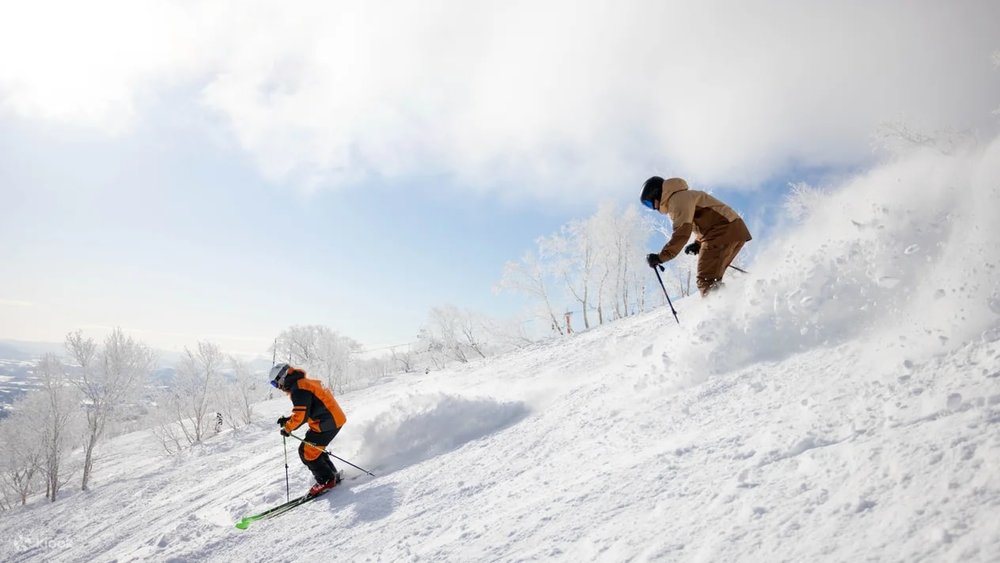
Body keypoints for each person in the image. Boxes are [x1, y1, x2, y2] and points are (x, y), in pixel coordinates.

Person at [640, 176, 752, 296]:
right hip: (733, 230)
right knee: (713, 278)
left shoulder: (677, 200)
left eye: (649, 203)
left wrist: (661, 257)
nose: (653, 208)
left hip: (723, 231)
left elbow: (681, 234)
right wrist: (698, 243)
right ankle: (740, 302)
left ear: (656, 194)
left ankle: (721, 310)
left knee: (705, 280)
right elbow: (706, 221)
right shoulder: (683, 196)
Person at [270, 363, 347, 496]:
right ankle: (331, 475)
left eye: (275, 384)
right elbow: (307, 410)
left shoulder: (298, 388)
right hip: (330, 420)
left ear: (282, 377)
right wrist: (288, 420)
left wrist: (288, 428)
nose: (277, 388)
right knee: (314, 448)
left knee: (307, 452)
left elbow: (302, 415)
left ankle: (326, 480)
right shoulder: (303, 383)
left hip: (327, 422)